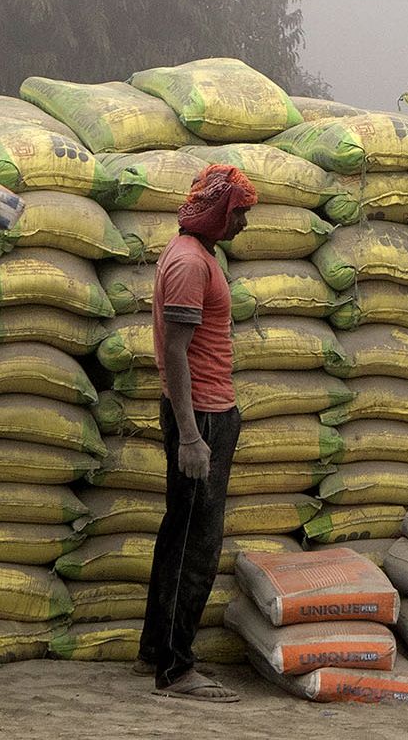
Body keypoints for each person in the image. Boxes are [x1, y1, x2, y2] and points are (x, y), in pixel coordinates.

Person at [134, 164, 257, 702]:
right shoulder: (188, 263)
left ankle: (156, 651)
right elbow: (176, 353)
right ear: (216, 212)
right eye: (239, 214)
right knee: (196, 545)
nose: (243, 224)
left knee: (178, 534)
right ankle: (177, 669)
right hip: (201, 415)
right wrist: (190, 434)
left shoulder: (196, 255)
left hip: (206, 413)